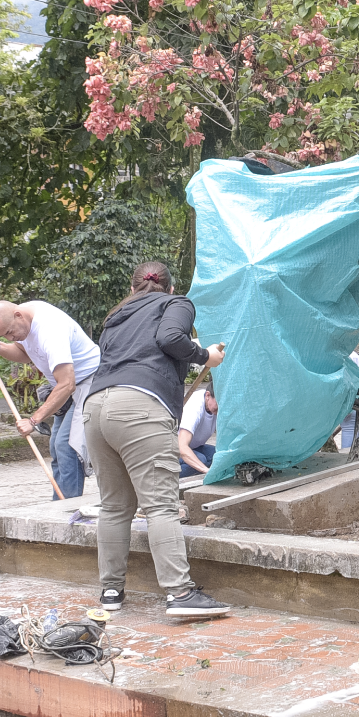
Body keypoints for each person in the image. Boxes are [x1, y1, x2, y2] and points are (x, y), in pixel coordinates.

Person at [80, 258, 230, 616]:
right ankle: (180, 594)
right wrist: (205, 356)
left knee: (114, 506)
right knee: (160, 506)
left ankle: (111, 593)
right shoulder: (176, 304)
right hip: (139, 408)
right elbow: (169, 338)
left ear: (132, 288)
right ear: (171, 287)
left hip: (95, 408)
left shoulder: (116, 315)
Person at [0, 298, 101, 500]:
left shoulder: (50, 329)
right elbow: (24, 353)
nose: (10, 337)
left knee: (67, 446)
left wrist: (33, 421)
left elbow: (67, 384)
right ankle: (59, 502)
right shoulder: (23, 319)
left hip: (88, 381)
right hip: (65, 385)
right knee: (56, 446)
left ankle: (68, 507)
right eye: (4, 335)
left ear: (18, 315)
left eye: (9, 332)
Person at [179, 373, 218, 474]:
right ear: (208, 395)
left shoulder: (214, 408)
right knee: (201, 460)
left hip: (195, 447)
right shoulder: (195, 406)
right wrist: (206, 471)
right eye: (218, 403)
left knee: (218, 456)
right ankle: (169, 479)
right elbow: (182, 447)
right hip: (173, 450)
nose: (220, 407)